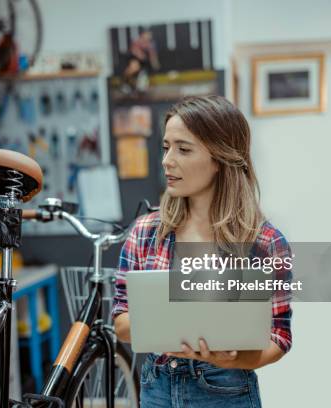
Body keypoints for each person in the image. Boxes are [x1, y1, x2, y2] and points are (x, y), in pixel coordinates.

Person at [112, 95, 293, 407]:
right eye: (166, 147)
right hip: (157, 390)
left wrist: (233, 358)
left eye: (183, 149)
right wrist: (168, 329)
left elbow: (278, 338)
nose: (167, 160)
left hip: (226, 391)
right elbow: (121, 323)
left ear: (220, 159)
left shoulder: (264, 243)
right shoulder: (145, 233)